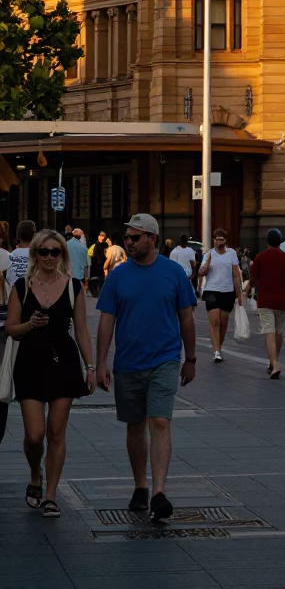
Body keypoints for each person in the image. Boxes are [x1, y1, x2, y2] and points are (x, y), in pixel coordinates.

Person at [95, 213, 197, 522]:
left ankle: (158, 493)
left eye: (134, 237)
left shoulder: (173, 272)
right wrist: (100, 362)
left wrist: (190, 359)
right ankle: (141, 486)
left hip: (164, 359)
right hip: (128, 362)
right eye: (127, 237)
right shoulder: (118, 275)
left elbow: (187, 318)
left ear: (152, 238)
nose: (128, 242)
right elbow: (107, 320)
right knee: (135, 426)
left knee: (160, 422)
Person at [5, 229, 95, 517]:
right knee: (35, 435)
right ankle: (36, 473)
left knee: (56, 432)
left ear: (62, 255)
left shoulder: (73, 287)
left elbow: (81, 330)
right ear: (35, 254)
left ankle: (51, 495)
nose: (49, 257)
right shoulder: (21, 286)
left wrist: (90, 366)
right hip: (29, 363)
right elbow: (11, 328)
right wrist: (30, 324)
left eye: (55, 252)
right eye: (43, 251)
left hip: (63, 363)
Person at [247, 229, 285, 378]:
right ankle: (274, 360)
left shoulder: (260, 258)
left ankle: (273, 363)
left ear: (267, 241)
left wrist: (251, 289)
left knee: (269, 331)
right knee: (278, 331)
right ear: (280, 241)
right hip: (282, 301)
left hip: (265, 301)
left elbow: (253, 280)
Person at [197, 229, 243, 363]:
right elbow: (201, 272)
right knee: (215, 321)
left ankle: (219, 347)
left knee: (223, 323)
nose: (218, 242)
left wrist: (239, 293)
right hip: (211, 290)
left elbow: (236, 274)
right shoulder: (209, 254)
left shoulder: (231, 253)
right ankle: (216, 351)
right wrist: (206, 266)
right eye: (216, 239)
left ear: (225, 241)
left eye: (221, 239)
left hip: (227, 291)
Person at [7, 220, 36, 290]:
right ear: (34, 236)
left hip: (12, 292)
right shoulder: (39, 255)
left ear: (18, 236)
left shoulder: (10, 255)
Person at [88, 232, 109, 297]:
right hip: (95, 265)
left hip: (102, 264)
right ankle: (95, 291)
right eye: (100, 235)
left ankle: (98, 292)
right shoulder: (94, 245)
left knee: (101, 279)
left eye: (103, 236)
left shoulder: (105, 245)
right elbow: (90, 254)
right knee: (95, 279)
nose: (101, 237)